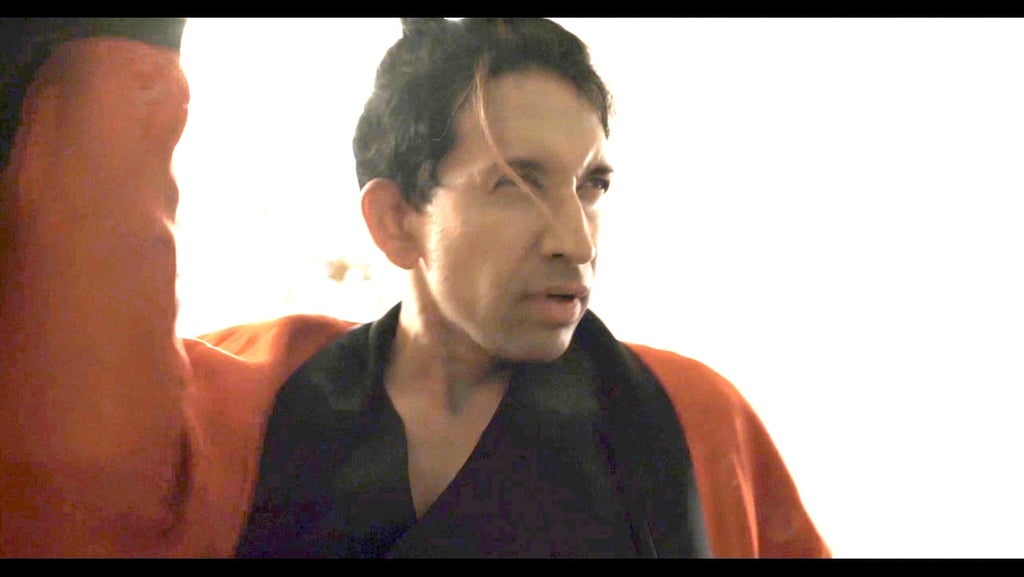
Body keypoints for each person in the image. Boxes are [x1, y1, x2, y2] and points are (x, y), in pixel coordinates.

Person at [0, 17, 830, 558]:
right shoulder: (252, 405)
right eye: (516, 185)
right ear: (396, 219)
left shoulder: (695, 419)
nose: (576, 241)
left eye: (592, 185)